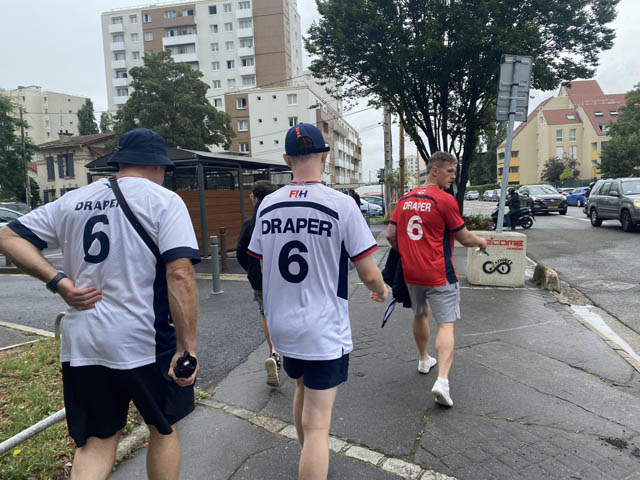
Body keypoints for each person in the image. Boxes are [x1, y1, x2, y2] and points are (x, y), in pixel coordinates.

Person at [0, 128, 200, 480]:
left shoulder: (72, 200)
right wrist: (187, 348)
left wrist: (58, 281)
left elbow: (8, 236)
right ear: (159, 166)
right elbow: (180, 274)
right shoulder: (164, 201)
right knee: (163, 428)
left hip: (84, 342)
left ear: (118, 161)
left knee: (96, 441)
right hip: (144, 340)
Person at [248, 123, 389, 480]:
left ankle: (307, 456)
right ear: (325, 157)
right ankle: (311, 457)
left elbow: (262, 263)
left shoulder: (267, 206)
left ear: (286, 160)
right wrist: (383, 289)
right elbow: (368, 272)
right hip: (322, 326)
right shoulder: (340, 204)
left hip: (283, 324)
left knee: (300, 388)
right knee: (318, 428)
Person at [386, 151, 487, 408]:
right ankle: (442, 380)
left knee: (419, 313)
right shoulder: (444, 200)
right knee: (446, 325)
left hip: (411, 272)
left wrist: (408, 252)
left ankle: (423, 360)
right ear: (434, 170)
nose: (453, 177)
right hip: (439, 273)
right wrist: (481, 241)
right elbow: (464, 238)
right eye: (450, 172)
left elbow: (390, 235)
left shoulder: (405, 199)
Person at [237, 180, 281, 387]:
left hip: (258, 277)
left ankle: (274, 352)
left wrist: (251, 270)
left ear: (255, 198)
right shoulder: (280, 218)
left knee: (265, 313)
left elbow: (240, 253)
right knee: (285, 309)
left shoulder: (251, 223)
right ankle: (291, 350)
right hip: (284, 276)